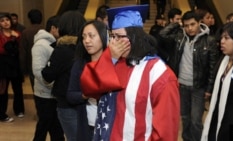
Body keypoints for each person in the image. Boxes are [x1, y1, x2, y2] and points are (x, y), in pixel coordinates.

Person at [80, 5, 180, 141]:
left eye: (119, 36)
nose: (113, 43)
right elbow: (89, 87)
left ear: (135, 36)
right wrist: (110, 58)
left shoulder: (160, 74)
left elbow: (165, 133)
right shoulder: (116, 63)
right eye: (112, 37)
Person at [160, 11, 220, 141]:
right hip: (181, 85)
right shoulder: (179, 37)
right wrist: (176, 24)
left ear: (199, 23)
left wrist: (209, 89)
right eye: (186, 25)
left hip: (199, 87)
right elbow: (163, 34)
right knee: (185, 118)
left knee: (196, 121)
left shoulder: (209, 41)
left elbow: (212, 67)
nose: (189, 28)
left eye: (193, 24)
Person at [201, 20, 233, 141]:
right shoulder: (223, 62)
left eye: (226, 38)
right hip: (218, 117)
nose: (221, 41)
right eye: (222, 37)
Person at [41, 10, 86, 141]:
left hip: (67, 103)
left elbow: (48, 75)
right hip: (87, 100)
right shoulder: (89, 48)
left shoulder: (62, 50)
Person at [67, 20, 108, 141]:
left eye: (91, 36)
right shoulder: (79, 64)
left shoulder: (114, 64)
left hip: (110, 125)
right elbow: (70, 95)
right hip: (88, 125)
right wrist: (85, 95)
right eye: (84, 37)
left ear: (103, 36)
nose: (87, 41)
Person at [31, 15, 65, 141]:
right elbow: (38, 71)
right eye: (61, 28)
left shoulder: (53, 43)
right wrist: (54, 85)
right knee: (44, 126)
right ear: (53, 28)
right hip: (44, 94)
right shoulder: (41, 45)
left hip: (52, 94)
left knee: (55, 127)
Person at [0, 12, 24, 122]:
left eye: (7, 20)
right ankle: (1, 114)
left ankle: (19, 110)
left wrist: (16, 37)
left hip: (15, 64)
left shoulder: (17, 33)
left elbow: (20, 49)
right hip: (3, 65)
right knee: (2, 90)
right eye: (2, 21)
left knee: (18, 88)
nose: (5, 22)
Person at [19, 9, 43, 91]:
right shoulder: (46, 30)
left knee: (35, 89)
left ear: (30, 19)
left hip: (32, 64)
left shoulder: (26, 32)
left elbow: (23, 53)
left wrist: (23, 70)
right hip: (45, 64)